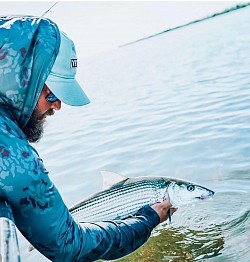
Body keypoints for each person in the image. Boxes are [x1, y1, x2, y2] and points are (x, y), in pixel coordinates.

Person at [0, 15, 176, 261]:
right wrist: (148, 219)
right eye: (52, 95)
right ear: (20, 82)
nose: (58, 106)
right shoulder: (12, 154)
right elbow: (69, 246)